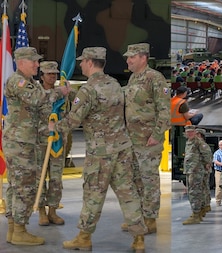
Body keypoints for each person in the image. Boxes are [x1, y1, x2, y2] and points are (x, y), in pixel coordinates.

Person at [50, 47, 146, 251]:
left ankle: (84, 237)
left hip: (100, 152)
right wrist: (71, 95)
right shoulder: (114, 84)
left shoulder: (88, 90)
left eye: (82, 61)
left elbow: (74, 120)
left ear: (90, 62)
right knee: (128, 193)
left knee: (93, 194)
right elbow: (100, 105)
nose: (80, 64)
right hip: (122, 148)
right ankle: (139, 239)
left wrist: (54, 127)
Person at [4, 47, 70, 246]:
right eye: (33, 61)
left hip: (27, 141)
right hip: (20, 143)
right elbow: (39, 99)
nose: (37, 65)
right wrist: (60, 91)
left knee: (20, 186)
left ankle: (15, 229)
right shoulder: (18, 81)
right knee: (23, 187)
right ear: (21, 62)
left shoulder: (32, 83)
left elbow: (42, 109)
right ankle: (19, 230)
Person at [122, 43, 171, 235]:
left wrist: (157, 135)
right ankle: (138, 218)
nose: (128, 61)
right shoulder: (134, 78)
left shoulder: (155, 78)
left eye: (131, 57)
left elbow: (165, 110)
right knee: (135, 180)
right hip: (132, 140)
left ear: (143, 57)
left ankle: (150, 219)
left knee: (149, 180)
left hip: (148, 141)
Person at [36, 61, 76, 226]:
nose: (52, 76)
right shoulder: (37, 93)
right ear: (42, 75)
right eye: (49, 73)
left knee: (56, 178)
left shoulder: (63, 91)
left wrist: (70, 93)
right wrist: (60, 93)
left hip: (59, 141)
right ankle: (41, 212)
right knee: (40, 177)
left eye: (55, 74)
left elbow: (76, 105)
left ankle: (53, 210)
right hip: (41, 141)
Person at [182, 126, 213, 225]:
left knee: (194, 192)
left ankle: (196, 215)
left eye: (191, 132)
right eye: (188, 132)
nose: (189, 134)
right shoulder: (189, 142)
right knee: (193, 191)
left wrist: (207, 164)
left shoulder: (198, 142)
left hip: (196, 171)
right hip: (190, 170)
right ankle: (198, 212)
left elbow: (207, 153)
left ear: (195, 132)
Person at [195, 128, 213, 217]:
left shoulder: (202, 145)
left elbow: (207, 157)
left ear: (199, 135)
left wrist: (207, 165)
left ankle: (205, 205)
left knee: (203, 188)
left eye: (196, 134)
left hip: (203, 170)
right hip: (202, 169)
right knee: (204, 188)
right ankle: (206, 205)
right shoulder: (200, 144)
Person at [213, 140, 222, 206]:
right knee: (219, 187)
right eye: (221, 144)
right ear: (219, 146)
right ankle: (218, 201)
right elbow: (215, 161)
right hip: (219, 171)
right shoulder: (217, 153)